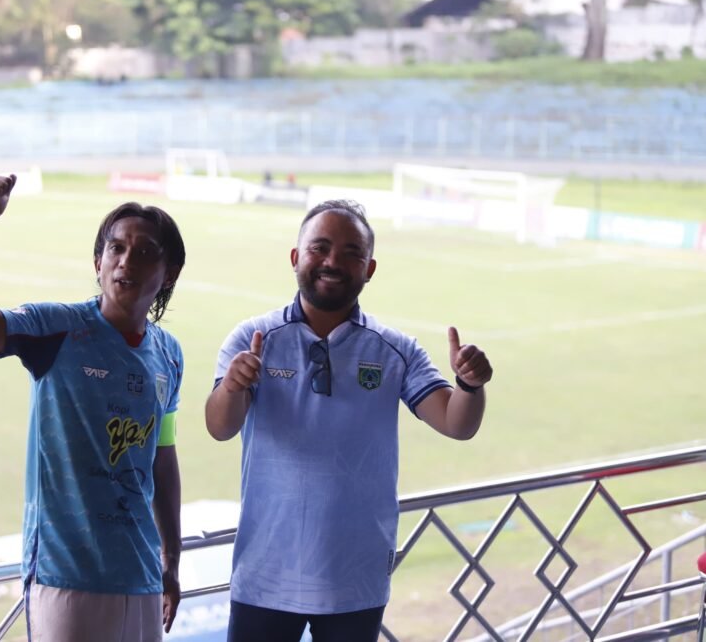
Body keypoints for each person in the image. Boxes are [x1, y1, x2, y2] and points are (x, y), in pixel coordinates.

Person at [205, 199, 493, 642]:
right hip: (266, 573)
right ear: (296, 257)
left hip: (354, 580)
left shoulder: (394, 349)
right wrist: (233, 386)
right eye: (320, 248)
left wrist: (470, 385)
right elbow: (219, 426)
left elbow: (457, 423)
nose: (333, 261)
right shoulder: (253, 338)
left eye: (351, 252)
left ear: (370, 268)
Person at [0, 173, 186, 641]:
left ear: (169, 274)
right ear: (98, 262)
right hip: (64, 575)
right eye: (116, 248)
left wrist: (171, 560)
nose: (126, 261)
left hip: (141, 574)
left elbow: (162, 456)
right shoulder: (57, 329)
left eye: (144, 252)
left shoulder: (169, 354)